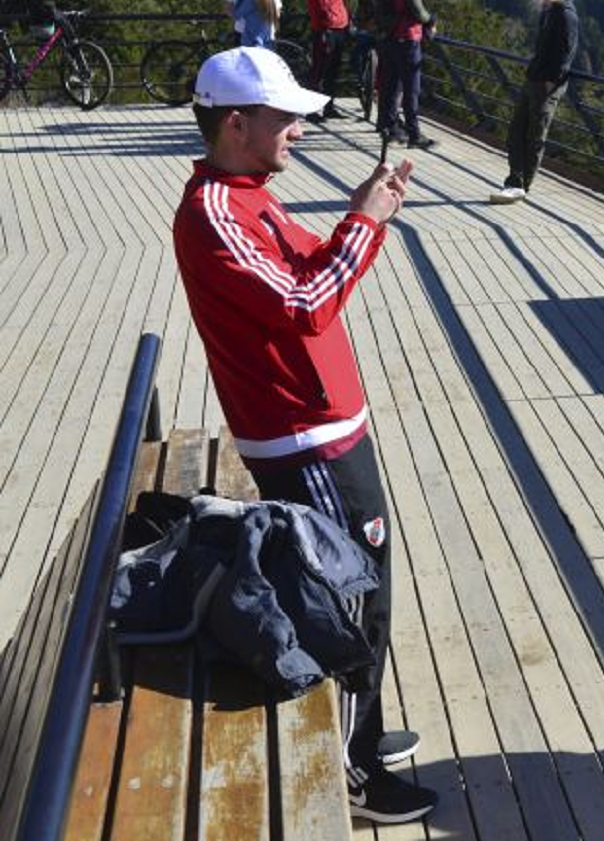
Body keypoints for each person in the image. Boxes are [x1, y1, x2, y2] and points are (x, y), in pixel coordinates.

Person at [171, 47, 438, 826]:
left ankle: (367, 731)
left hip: (325, 428)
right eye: (284, 117)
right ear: (236, 122)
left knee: (369, 586)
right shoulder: (216, 211)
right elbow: (306, 305)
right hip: (304, 439)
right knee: (347, 596)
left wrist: (364, 210)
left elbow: (308, 277)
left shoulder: (249, 195)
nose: (298, 129)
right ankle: (351, 775)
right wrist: (367, 220)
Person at [490, 0, 582, 203]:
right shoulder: (548, 12)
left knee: (534, 136)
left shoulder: (566, 15)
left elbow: (567, 53)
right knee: (516, 132)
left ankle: (522, 185)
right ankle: (514, 179)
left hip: (547, 84)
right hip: (534, 79)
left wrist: (550, 82)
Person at [375, 0, 436, 150]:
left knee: (390, 86)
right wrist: (431, 21)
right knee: (411, 89)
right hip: (408, 39)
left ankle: (388, 128)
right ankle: (414, 134)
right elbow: (418, 12)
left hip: (390, 39)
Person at [303, 0, 351, 119]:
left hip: (340, 27)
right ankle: (311, 109)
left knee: (333, 71)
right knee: (319, 70)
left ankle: (329, 107)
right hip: (323, 28)